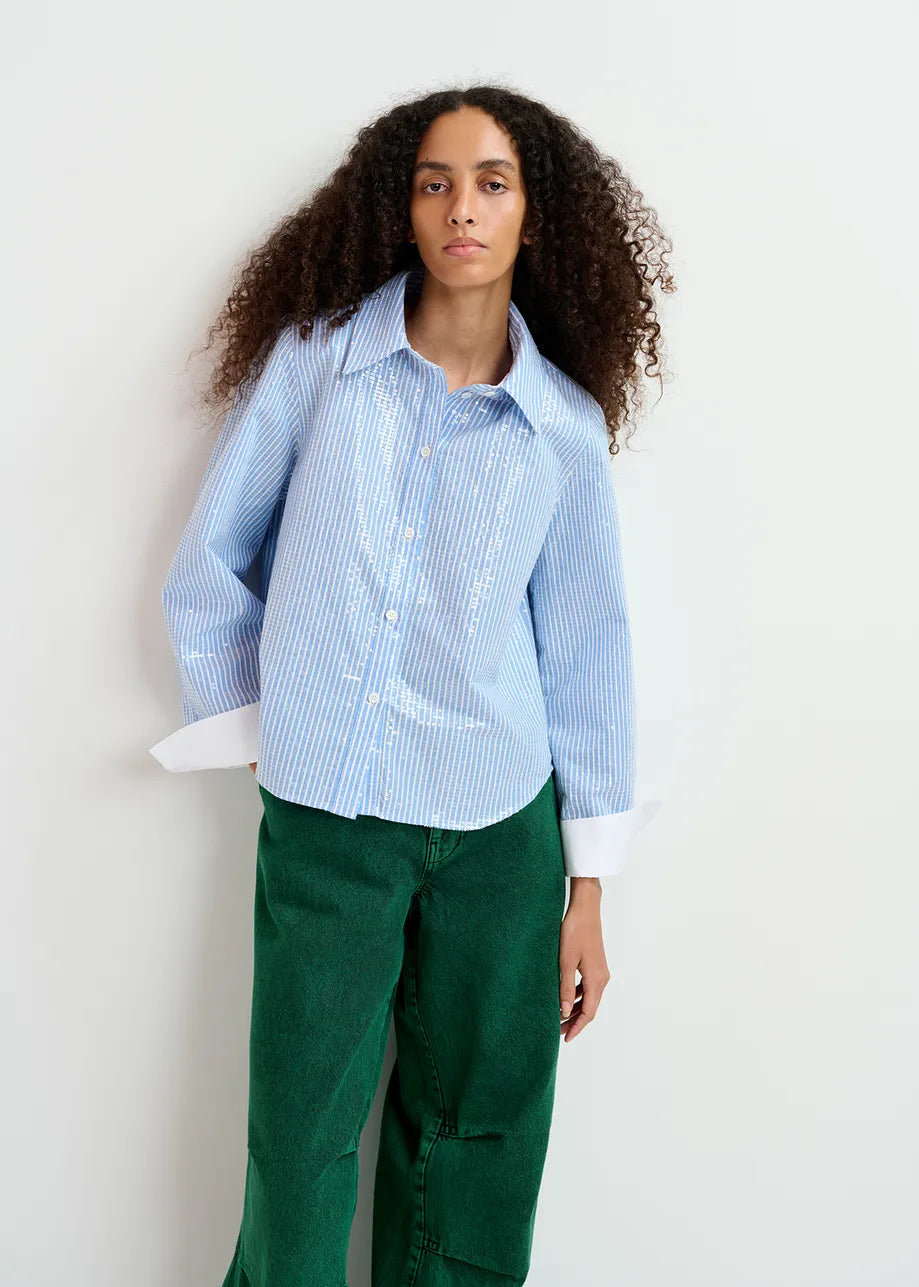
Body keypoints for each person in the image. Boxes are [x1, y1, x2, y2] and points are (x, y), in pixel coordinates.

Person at [149, 84, 670, 1287]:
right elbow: (208, 562)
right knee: (301, 1137)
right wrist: (262, 733)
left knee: (479, 1140)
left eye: (491, 181)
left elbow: (589, 650)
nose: (461, 208)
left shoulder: (561, 428)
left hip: (502, 829)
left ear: (537, 214)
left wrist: (585, 887)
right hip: (330, 817)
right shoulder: (320, 367)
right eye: (435, 180)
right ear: (402, 205)